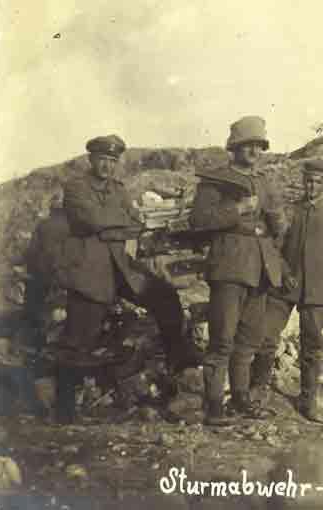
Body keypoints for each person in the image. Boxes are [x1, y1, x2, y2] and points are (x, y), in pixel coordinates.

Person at [55, 135, 200, 424]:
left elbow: (135, 223)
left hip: (121, 269)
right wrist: (117, 225)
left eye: (113, 161)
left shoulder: (119, 190)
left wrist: (112, 228)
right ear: (91, 160)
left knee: (165, 296)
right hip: (89, 272)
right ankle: (64, 410)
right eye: (102, 160)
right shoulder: (76, 187)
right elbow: (91, 221)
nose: (107, 166)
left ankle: (177, 359)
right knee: (78, 340)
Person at [189, 116, 287, 425]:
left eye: (259, 146)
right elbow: (199, 220)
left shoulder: (264, 182)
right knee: (223, 339)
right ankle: (215, 405)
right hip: (230, 267)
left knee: (248, 340)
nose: (255, 151)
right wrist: (239, 209)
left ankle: (241, 399)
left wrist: (278, 220)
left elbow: (277, 225)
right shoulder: (215, 181)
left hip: (260, 269)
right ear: (234, 148)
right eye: (248, 145)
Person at [264, 158, 323, 422]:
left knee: (313, 345)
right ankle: (256, 392)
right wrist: (285, 274)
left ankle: (307, 400)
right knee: (267, 336)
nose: (311, 186)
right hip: (288, 286)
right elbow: (274, 248)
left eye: (317, 182)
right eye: (308, 181)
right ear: (303, 182)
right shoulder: (291, 212)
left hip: (316, 290)